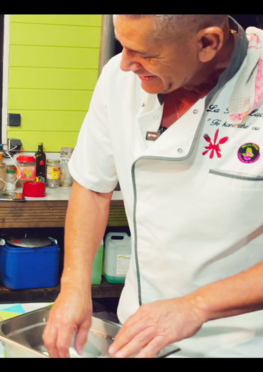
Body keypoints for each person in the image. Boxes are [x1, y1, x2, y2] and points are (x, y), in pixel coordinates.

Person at [42, 14, 263, 358]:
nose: (126, 63)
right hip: (139, 331)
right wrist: (73, 285)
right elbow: (93, 187)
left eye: (144, 52)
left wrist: (197, 306)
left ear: (207, 43)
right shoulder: (119, 78)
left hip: (242, 342)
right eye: (122, 45)